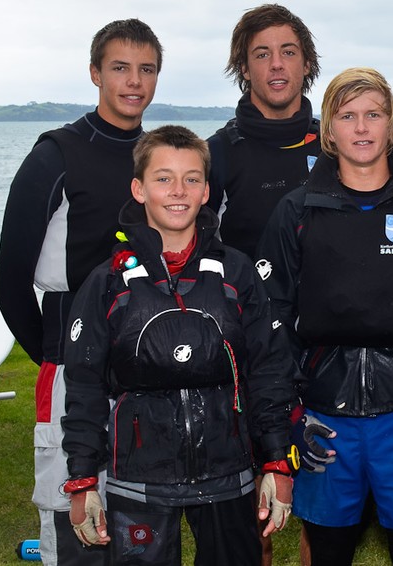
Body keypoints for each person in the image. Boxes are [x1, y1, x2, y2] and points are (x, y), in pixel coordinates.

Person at [256, 67, 393, 566]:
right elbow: (270, 318)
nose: (362, 127)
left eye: (374, 114)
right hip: (325, 419)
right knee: (327, 554)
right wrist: (288, 410)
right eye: (347, 116)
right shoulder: (296, 211)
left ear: (392, 125)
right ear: (329, 130)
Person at [61, 126, 296, 565]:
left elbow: (269, 369)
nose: (178, 191)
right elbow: (84, 385)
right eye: (163, 178)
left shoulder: (237, 272)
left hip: (230, 475)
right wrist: (82, 479)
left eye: (191, 179)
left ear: (207, 191)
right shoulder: (108, 281)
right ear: (138, 188)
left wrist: (277, 461)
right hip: (138, 480)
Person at [0, 18, 163, 566]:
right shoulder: (56, 155)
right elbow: (8, 281)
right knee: (73, 521)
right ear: (95, 73)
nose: (134, 82)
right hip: (68, 362)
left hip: (145, 366)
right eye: (120, 68)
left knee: (140, 522)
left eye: (146, 69)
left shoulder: (160, 159)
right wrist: (55, 352)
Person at [207, 3, 322, 260]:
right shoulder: (217, 154)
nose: (277, 64)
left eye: (289, 52)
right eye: (262, 54)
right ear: (244, 69)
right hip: (244, 298)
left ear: (307, 64)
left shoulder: (334, 146)